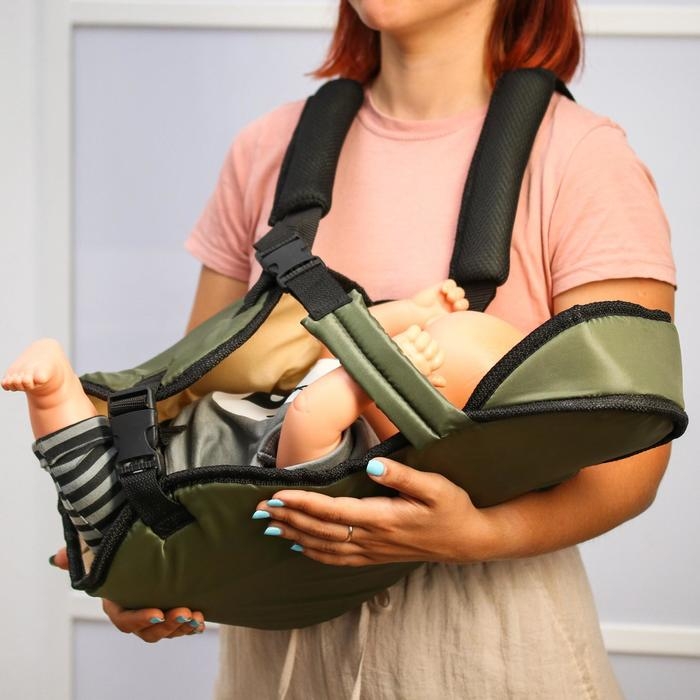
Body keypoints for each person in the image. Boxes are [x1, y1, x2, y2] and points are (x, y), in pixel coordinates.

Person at [53, 0, 677, 696]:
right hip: (280, 639)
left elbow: (632, 463)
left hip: (480, 633)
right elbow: (195, 404)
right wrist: (138, 557)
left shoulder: (581, 158)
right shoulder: (269, 149)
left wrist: (478, 537)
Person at [3, 280, 522, 551]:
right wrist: (410, 312)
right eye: (415, 339)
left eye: (421, 353)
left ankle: (51, 388)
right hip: (172, 431)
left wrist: (380, 375)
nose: (405, 344)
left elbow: (311, 414)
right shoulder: (351, 392)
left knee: (89, 489)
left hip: (149, 499)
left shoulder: (347, 468)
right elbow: (334, 347)